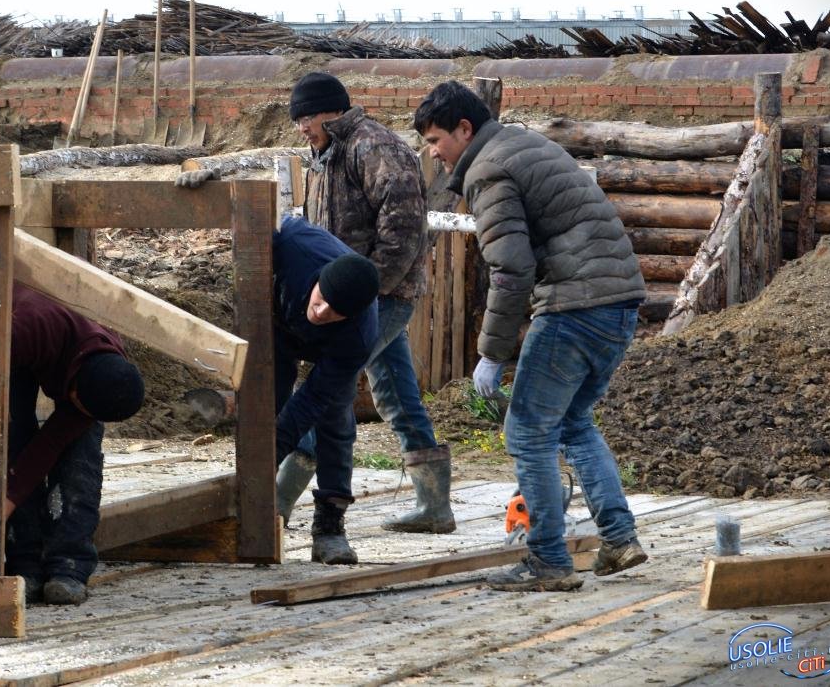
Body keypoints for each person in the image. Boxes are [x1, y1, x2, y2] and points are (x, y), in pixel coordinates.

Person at [413, 80, 648, 592]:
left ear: (464, 128)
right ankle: (619, 538)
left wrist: (491, 354)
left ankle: (548, 560)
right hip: (620, 302)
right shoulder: (527, 145)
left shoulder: (488, 168)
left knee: (527, 433)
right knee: (574, 423)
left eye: (436, 141)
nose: (434, 154)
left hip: (574, 307)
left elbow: (511, 270)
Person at [280, 71, 454, 535]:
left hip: (376, 296)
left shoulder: (375, 148)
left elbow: (403, 231)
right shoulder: (329, 153)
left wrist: (363, 294)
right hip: (346, 295)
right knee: (395, 393)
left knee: (328, 391)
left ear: (331, 110)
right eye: (297, 119)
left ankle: (274, 501)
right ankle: (435, 505)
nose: (301, 127)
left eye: (306, 116)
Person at [0, 284, 144, 605]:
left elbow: (50, 444)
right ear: (73, 390)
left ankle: (69, 567)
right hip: (20, 341)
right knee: (11, 431)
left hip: (71, 355)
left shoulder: (110, 377)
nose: (79, 415)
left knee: (81, 455)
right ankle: (24, 563)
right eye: (80, 408)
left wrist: (9, 497)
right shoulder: (28, 331)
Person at [271, 216, 380, 564]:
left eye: (335, 313)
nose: (322, 312)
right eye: (322, 300)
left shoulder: (358, 335)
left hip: (329, 350)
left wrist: (275, 444)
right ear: (319, 279)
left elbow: (313, 398)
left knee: (334, 418)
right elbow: (245, 221)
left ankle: (330, 527)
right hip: (275, 320)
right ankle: (257, 506)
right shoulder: (291, 245)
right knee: (265, 401)